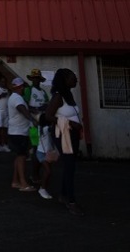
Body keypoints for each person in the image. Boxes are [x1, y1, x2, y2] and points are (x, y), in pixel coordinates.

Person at [45, 68, 84, 216]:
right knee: (70, 166)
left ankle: (63, 194)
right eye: (72, 78)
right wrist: (70, 123)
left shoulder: (69, 95)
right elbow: (48, 116)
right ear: (64, 80)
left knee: (70, 165)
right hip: (63, 135)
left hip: (72, 135)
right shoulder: (58, 97)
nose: (75, 80)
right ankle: (71, 201)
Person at [7, 76, 37, 191]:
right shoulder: (17, 99)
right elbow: (22, 109)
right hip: (18, 132)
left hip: (17, 131)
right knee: (22, 157)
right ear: (20, 87)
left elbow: (26, 108)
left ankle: (15, 181)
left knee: (19, 157)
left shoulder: (16, 97)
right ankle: (23, 183)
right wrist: (32, 119)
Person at [24, 68, 49, 182]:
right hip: (33, 124)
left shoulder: (43, 92)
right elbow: (25, 105)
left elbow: (48, 105)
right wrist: (36, 110)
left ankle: (37, 173)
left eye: (37, 78)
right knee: (35, 150)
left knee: (42, 150)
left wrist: (42, 108)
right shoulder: (29, 90)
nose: (36, 80)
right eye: (34, 78)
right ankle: (34, 175)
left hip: (43, 124)